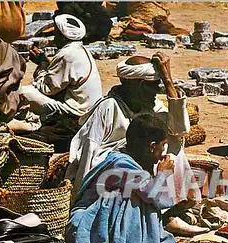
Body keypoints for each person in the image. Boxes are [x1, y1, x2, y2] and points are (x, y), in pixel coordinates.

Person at [66, 52, 200, 204]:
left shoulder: (152, 105)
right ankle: (162, 209)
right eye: (153, 86)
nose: (156, 92)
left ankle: (176, 203)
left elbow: (180, 130)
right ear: (140, 86)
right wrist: (81, 200)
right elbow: (89, 154)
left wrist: (168, 81)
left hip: (141, 166)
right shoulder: (108, 107)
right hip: (114, 171)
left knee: (172, 144)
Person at [65, 115, 177, 243]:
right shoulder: (121, 164)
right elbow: (153, 195)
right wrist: (163, 174)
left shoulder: (131, 159)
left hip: (97, 226)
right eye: (162, 147)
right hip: (87, 228)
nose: (163, 153)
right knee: (128, 200)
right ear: (152, 147)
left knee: (137, 197)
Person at [8, 14, 102, 152]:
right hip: (87, 109)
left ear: (63, 37)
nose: (54, 37)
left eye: (56, 34)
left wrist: (41, 64)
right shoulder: (80, 50)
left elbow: (46, 88)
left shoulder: (68, 54)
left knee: (24, 92)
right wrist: (46, 64)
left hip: (75, 112)